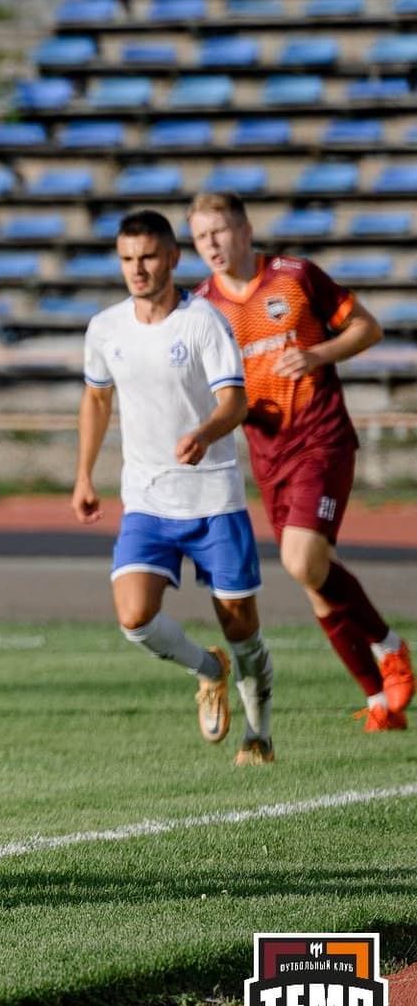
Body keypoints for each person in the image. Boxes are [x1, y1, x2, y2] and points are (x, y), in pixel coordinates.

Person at [187, 191, 411, 732]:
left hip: (320, 439)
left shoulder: (295, 276)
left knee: (301, 560)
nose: (211, 245)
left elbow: (367, 328)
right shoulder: (200, 308)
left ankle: (391, 647)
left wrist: (317, 354)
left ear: (244, 230)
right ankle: (380, 702)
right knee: (314, 580)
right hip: (268, 455)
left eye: (218, 231)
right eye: (199, 237)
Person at [71, 210, 276, 765]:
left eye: (148, 257)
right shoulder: (105, 328)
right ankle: (207, 671)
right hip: (148, 498)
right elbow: (96, 399)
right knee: (134, 617)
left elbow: (235, 401)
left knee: (242, 627)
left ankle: (257, 732)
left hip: (213, 497)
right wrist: (85, 474)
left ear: (172, 259)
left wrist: (205, 432)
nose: (137, 269)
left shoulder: (203, 322)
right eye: (127, 259)